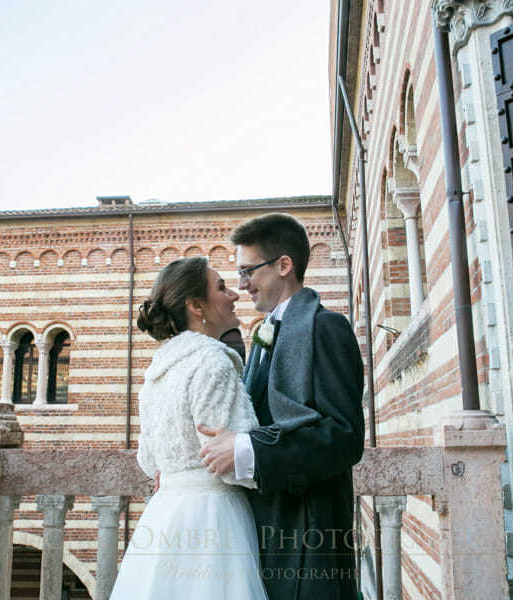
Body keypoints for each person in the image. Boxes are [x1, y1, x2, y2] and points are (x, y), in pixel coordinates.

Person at [199, 213, 365, 600]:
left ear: (284, 265)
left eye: (247, 271)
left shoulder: (326, 327)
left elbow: (344, 436)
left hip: (307, 541)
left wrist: (247, 448)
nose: (241, 286)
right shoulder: (262, 335)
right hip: (261, 533)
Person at [110, 256, 268, 600]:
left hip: (165, 515)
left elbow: (148, 462)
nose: (234, 296)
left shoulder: (158, 371)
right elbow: (234, 465)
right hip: (214, 519)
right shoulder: (212, 361)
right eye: (222, 287)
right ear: (196, 306)